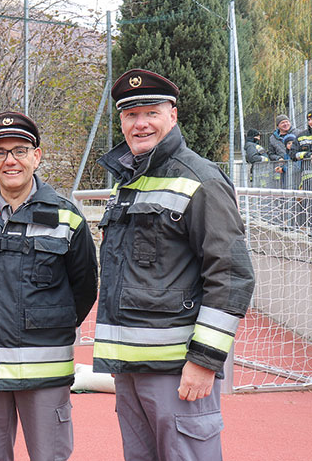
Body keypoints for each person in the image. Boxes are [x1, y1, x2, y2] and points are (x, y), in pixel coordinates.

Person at [93, 69, 255, 461]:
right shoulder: (127, 182)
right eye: (130, 115)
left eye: (151, 112)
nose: (140, 123)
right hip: (129, 370)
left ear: (173, 116)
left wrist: (204, 361)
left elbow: (231, 275)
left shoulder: (199, 179)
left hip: (178, 372)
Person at [0, 112, 98, 461]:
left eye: (20, 150)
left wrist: (47, 325)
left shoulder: (67, 216)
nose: (11, 160)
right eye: (1, 152)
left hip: (45, 371)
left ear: (37, 155)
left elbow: (84, 287)